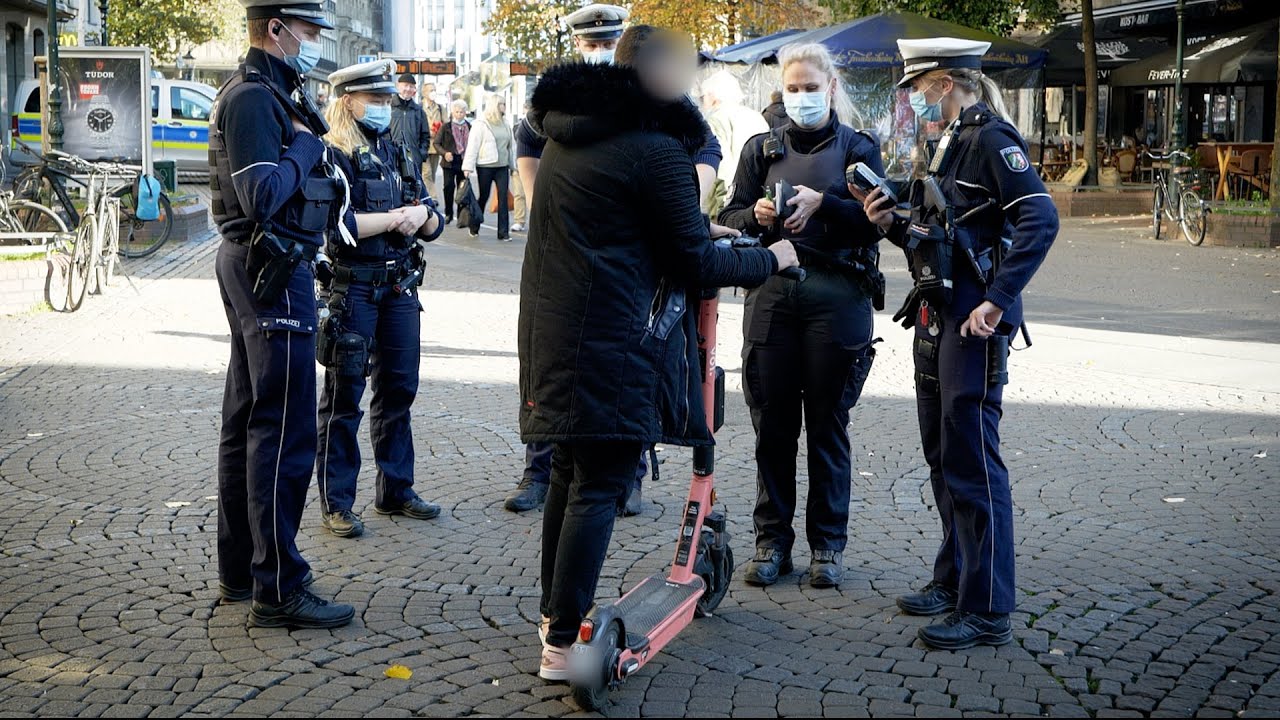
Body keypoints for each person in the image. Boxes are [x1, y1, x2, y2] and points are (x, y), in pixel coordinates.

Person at [518, 25, 799, 680]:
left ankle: (552, 616)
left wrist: (689, 226)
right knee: (599, 483)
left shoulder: (568, 133)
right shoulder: (655, 149)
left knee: (568, 471)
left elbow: (620, 220)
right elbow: (696, 261)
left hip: (554, 331)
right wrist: (774, 258)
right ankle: (562, 644)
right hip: (614, 339)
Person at [504, 2, 730, 516]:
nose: (601, 53)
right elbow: (534, 169)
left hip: (627, 264)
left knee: (624, 375)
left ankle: (628, 476)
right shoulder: (564, 104)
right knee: (558, 377)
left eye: (609, 43)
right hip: (568, 258)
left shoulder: (666, 109)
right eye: (592, 45)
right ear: (578, 47)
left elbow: (705, 153)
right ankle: (539, 471)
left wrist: (683, 213)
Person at [877, 38, 1057, 650]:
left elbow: (1040, 218)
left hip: (973, 322)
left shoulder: (990, 138)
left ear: (945, 83)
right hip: (939, 314)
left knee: (974, 460)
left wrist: (998, 299)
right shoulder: (948, 141)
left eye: (917, 88)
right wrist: (890, 222)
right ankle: (955, 577)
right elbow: (942, 235)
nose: (913, 99)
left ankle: (987, 607)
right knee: (944, 453)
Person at [718, 42, 885, 590]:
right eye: (793, 88)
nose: (802, 97)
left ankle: (827, 546)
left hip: (838, 295)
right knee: (772, 426)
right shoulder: (760, 148)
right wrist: (755, 213)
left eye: (811, 87)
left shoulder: (858, 147)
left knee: (828, 426)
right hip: (773, 294)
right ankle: (771, 543)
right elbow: (728, 217)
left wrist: (826, 204)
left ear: (830, 87)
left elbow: (881, 222)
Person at [209, 0, 354, 629]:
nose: (314, 39)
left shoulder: (269, 91)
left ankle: (244, 571)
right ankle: (278, 587)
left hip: (264, 266)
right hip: (270, 269)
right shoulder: (252, 98)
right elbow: (261, 194)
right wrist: (302, 147)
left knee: (248, 417)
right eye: (308, 29)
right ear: (275, 28)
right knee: (283, 426)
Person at [313, 59, 445, 539]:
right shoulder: (332, 154)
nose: (385, 108)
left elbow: (433, 219)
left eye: (388, 100)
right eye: (376, 100)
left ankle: (395, 489)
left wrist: (420, 216)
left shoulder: (396, 149)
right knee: (344, 396)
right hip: (354, 289)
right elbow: (339, 226)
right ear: (349, 101)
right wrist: (395, 219)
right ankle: (337, 502)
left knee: (399, 389)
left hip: (399, 286)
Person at [701, 69, 769, 217]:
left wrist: (723, 212)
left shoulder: (715, 120)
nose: (703, 101)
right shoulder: (756, 116)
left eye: (704, 96)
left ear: (713, 96)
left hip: (731, 204)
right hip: (758, 202)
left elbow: (721, 168)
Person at [462, 92, 514, 241]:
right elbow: (473, 146)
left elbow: (510, 147)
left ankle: (503, 233)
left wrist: (513, 166)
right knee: (484, 196)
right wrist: (468, 167)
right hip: (485, 166)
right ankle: (474, 225)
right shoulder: (481, 124)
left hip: (502, 166)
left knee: (503, 198)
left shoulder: (506, 123)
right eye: (502, 104)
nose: (505, 106)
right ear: (495, 106)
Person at [389, 73, 432, 190]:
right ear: (398, 85)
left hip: (413, 158)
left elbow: (425, 136)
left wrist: (420, 154)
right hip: (392, 156)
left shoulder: (418, 111)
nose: (408, 89)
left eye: (411, 86)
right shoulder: (389, 107)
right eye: (405, 85)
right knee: (393, 187)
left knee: (412, 190)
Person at [433, 99, 470, 225]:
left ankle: (461, 214)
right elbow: (436, 143)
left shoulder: (469, 126)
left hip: (464, 161)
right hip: (449, 162)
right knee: (448, 187)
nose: (459, 114)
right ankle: (448, 213)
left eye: (462, 112)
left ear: (465, 113)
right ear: (453, 112)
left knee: (462, 188)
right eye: (457, 112)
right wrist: (445, 153)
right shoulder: (446, 127)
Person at [421, 82, 444, 197]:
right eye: (431, 90)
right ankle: (432, 197)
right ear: (424, 93)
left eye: (434, 90)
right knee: (427, 173)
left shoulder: (440, 108)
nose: (433, 92)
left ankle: (425, 196)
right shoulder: (419, 107)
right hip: (423, 145)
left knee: (432, 173)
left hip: (435, 146)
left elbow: (446, 125)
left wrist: (439, 132)